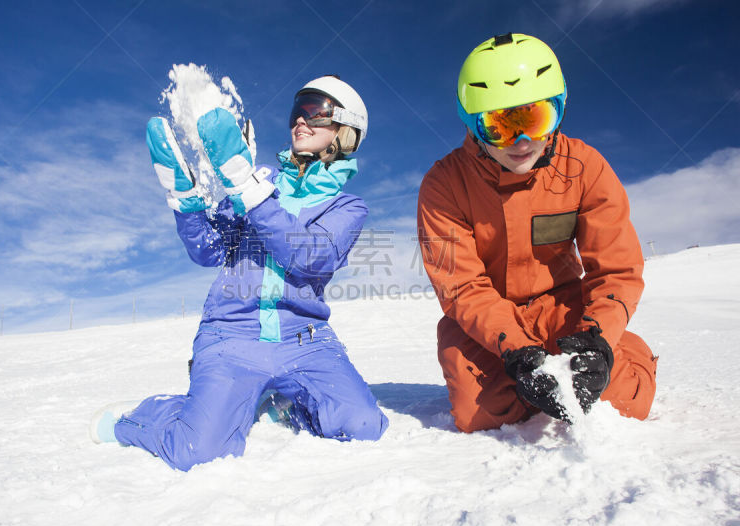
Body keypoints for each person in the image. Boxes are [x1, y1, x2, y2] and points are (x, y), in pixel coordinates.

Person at [90, 75, 388, 471]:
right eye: (298, 111)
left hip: (306, 340)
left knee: (364, 426)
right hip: (231, 334)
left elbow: (311, 257)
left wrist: (249, 192)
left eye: (316, 112)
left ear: (346, 130)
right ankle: (153, 414)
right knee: (197, 451)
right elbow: (209, 250)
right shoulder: (259, 178)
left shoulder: (346, 207)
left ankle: (281, 402)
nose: (301, 121)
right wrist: (187, 204)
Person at [417, 33, 658, 431]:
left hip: (564, 308)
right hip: (486, 323)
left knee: (625, 401)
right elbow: (461, 286)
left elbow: (616, 269)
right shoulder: (444, 184)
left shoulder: (584, 166)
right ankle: (529, 378)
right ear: (473, 125)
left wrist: (597, 339)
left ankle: (622, 354)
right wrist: (515, 350)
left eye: (535, 118)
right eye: (499, 126)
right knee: (480, 414)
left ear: (559, 109)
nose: (522, 141)